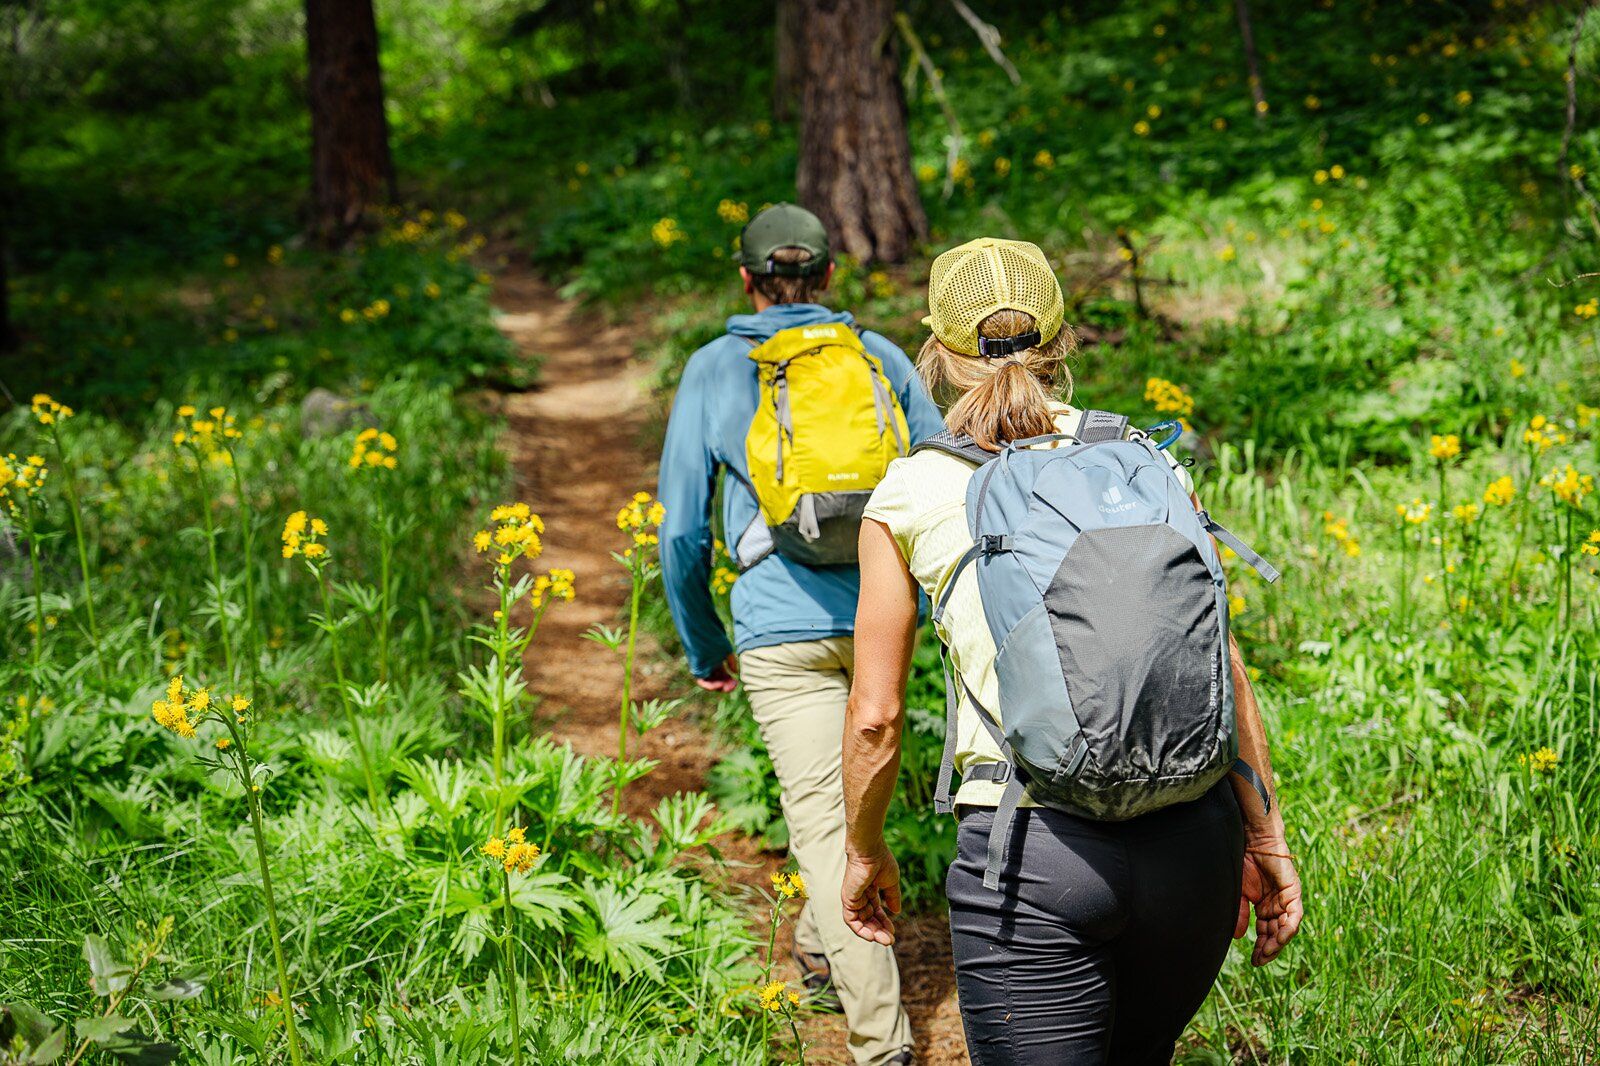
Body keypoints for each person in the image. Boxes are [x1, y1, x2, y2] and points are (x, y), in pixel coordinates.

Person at [840, 238, 1303, 1064]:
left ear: (937, 352)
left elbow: (877, 718)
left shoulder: (911, 490)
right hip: (1192, 842)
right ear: (1061, 340)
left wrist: (864, 849)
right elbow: (1219, 664)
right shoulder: (1145, 459)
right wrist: (1263, 839)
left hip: (1032, 850)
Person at [658, 202, 943, 1066]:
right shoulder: (880, 357)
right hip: (884, 619)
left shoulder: (716, 366)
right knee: (864, 796)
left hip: (778, 626)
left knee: (823, 821)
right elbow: (943, 477)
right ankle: (828, 945)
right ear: (826, 276)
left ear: (746, 280)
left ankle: (879, 1042)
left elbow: (681, 533)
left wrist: (705, 647)